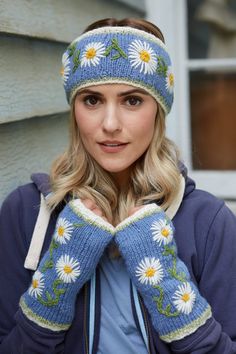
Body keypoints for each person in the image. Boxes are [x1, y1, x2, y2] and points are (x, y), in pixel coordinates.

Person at [0, 17, 236, 354]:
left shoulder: (209, 221)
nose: (110, 124)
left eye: (132, 101)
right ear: (74, 110)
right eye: (92, 100)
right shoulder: (25, 213)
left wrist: (171, 291)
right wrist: (53, 287)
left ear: (159, 111)